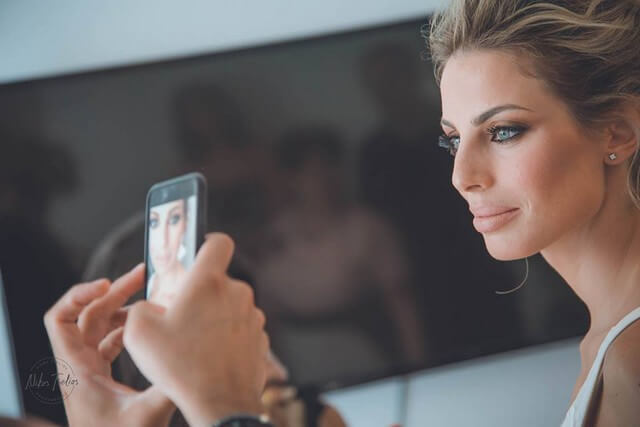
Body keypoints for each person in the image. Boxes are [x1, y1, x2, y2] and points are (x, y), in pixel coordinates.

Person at [428, 0, 640, 425]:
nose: (462, 176)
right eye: (453, 140)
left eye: (504, 132)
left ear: (618, 130)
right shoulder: (613, 342)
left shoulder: (631, 358)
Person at [147, 198, 191, 307]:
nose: (163, 241)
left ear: (185, 224)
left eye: (174, 220)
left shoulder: (192, 287)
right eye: (154, 222)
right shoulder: (150, 283)